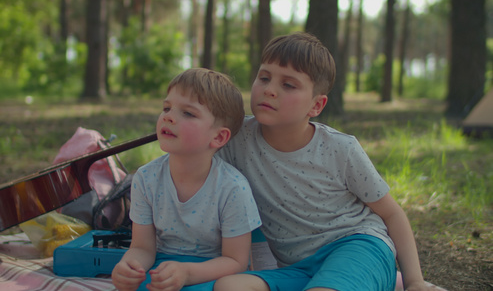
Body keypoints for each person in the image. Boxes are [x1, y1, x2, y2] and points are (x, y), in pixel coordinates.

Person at [214, 32, 434, 291]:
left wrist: (415, 282)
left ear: (316, 105)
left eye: (288, 85)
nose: (269, 90)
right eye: (264, 77)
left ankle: (388, 281)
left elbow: (392, 213)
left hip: (357, 246)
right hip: (297, 268)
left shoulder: (340, 148)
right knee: (229, 286)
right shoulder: (235, 139)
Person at [112, 68, 261, 291]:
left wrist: (187, 273)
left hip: (210, 274)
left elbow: (237, 262)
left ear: (219, 137)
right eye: (167, 107)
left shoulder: (232, 188)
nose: (169, 116)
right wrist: (128, 267)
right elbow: (142, 249)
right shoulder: (145, 178)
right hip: (160, 270)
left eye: (188, 113)